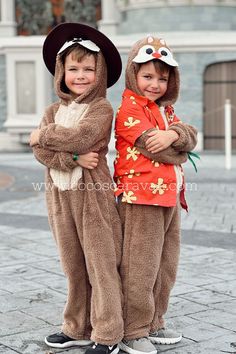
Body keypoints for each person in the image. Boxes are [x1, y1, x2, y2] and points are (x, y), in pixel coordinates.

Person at [30, 22, 124, 354]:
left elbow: (82, 137)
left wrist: (41, 134)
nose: (80, 75)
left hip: (92, 194)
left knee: (100, 261)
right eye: (73, 68)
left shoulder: (101, 109)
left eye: (88, 68)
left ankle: (109, 331)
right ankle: (77, 327)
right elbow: (43, 154)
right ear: (61, 72)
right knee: (72, 263)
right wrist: (70, 158)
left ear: (100, 74)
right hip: (59, 194)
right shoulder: (52, 111)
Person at [113, 36, 198, 354]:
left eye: (163, 78)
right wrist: (180, 144)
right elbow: (160, 150)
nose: (155, 84)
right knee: (140, 265)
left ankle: (154, 321)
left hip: (170, 198)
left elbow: (191, 135)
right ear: (134, 74)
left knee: (166, 263)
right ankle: (133, 328)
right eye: (148, 76)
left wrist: (176, 134)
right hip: (141, 198)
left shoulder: (165, 110)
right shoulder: (128, 111)